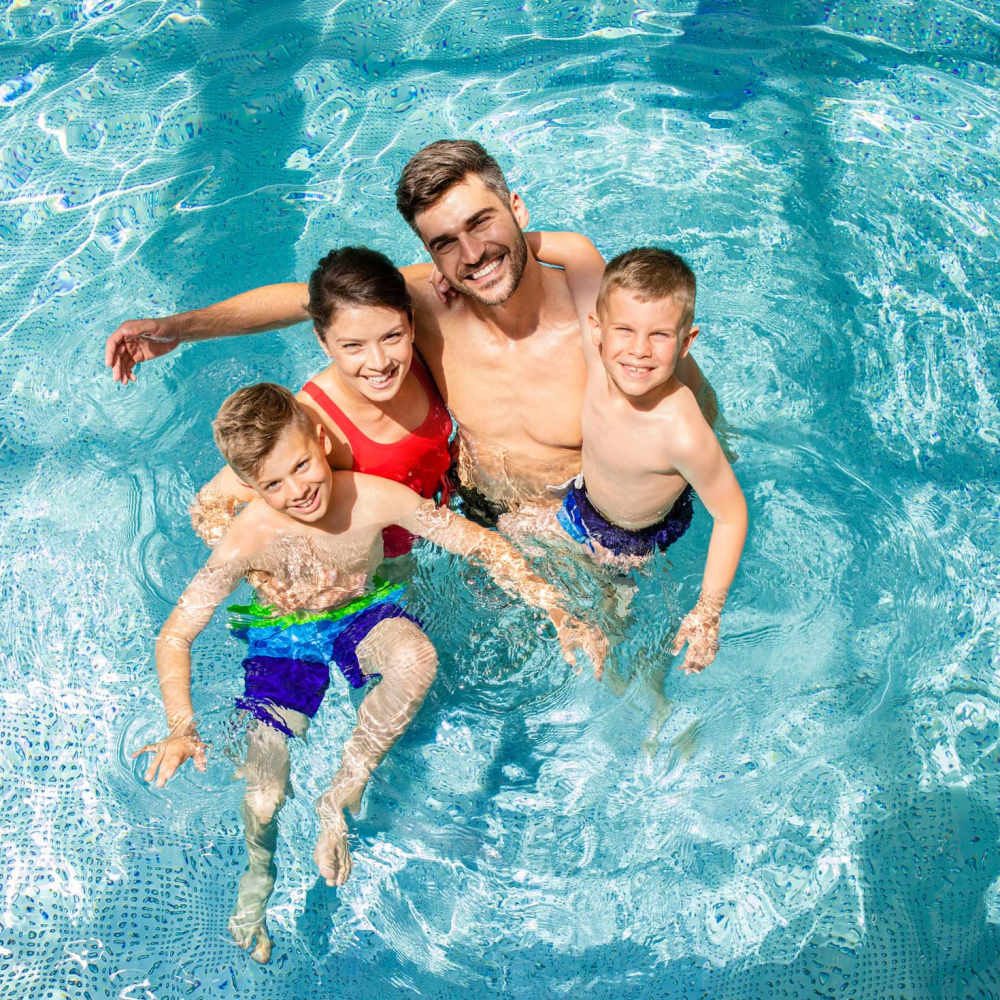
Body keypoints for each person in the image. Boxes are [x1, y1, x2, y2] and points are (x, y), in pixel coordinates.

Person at [133, 383, 606, 964]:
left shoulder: (374, 499)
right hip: (285, 638)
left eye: (302, 466)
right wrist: (181, 725)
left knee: (417, 658)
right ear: (251, 489)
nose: (298, 490)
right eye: (272, 485)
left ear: (322, 440)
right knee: (263, 795)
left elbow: (481, 546)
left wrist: (554, 605)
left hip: (360, 612)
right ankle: (257, 880)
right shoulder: (248, 536)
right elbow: (176, 634)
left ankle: (343, 790)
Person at [104, 140, 714, 521]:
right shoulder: (425, 303)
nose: (472, 254)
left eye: (482, 223)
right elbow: (305, 299)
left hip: (595, 521)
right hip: (477, 515)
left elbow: (684, 396)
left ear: (519, 212)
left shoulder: (595, 313)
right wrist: (177, 329)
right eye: (445, 243)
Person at [502, 240, 747, 674]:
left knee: (612, 639)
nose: (639, 350)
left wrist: (708, 613)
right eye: (625, 331)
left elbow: (730, 516)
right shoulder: (598, 362)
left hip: (631, 544)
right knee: (503, 534)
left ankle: (644, 696)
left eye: (659, 335)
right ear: (597, 329)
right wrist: (480, 259)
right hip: (580, 506)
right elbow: (575, 254)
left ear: (686, 341)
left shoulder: (680, 429)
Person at [190, 246, 454, 562]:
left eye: (391, 337)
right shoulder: (313, 421)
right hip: (384, 564)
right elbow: (211, 505)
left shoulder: (423, 356)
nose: (379, 362)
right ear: (323, 341)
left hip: (445, 517)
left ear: (411, 324)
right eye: (353, 346)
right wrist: (263, 568)